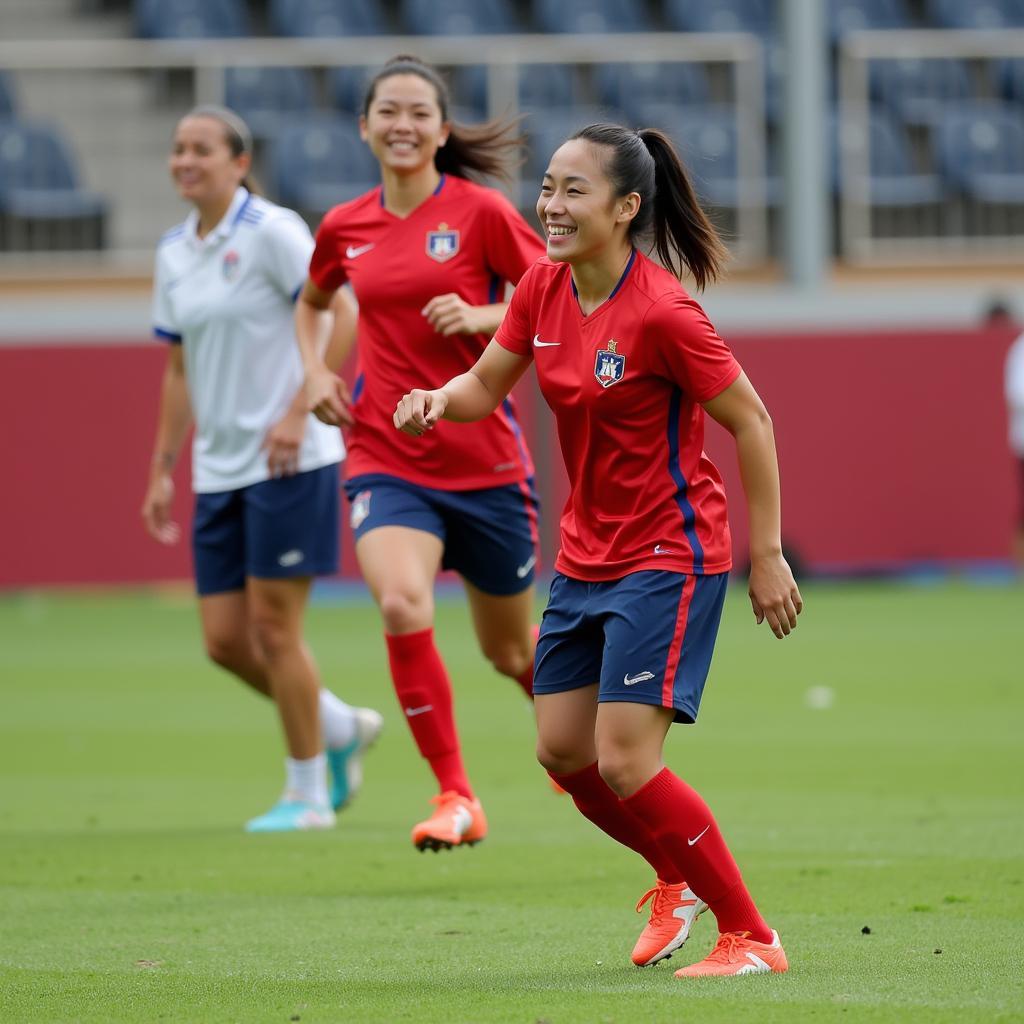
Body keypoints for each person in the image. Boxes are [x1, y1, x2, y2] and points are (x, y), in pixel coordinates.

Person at [394, 123, 803, 977]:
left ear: (625, 208)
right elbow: (484, 385)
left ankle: (752, 937)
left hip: (668, 551)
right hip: (584, 556)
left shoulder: (663, 312)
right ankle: (672, 873)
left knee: (624, 757)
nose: (550, 205)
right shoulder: (542, 287)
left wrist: (765, 554)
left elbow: (752, 421)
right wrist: (437, 397)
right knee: (562, 750)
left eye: (573, 191)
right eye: (548, 186)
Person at [296, 57, 547, 853]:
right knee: (402, 604)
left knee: (510, 651)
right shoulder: (344, 225)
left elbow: (558, 294)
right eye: (387, 111)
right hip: (385, 453)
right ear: (364, 126)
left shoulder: (480, 212)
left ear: (442, 130)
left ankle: (586, 741)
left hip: (486, 465)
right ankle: (456, 794)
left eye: (418, 112)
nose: (402, 124)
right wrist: (312, 371)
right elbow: (311, 303)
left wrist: (482, 314)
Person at [142, 104, 382, 833]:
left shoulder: (274, 232)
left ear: (239, 162)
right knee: (224, 641)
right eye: (178, 148)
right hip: (219, 469)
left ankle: (308, 795)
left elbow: (341, 311)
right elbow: (179, 366)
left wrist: (298, 407)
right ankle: (338, 722)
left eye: (201, 149)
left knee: (277, 631)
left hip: (290, 458)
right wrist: (161, 467)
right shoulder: (173, 251)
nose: (186, 160)